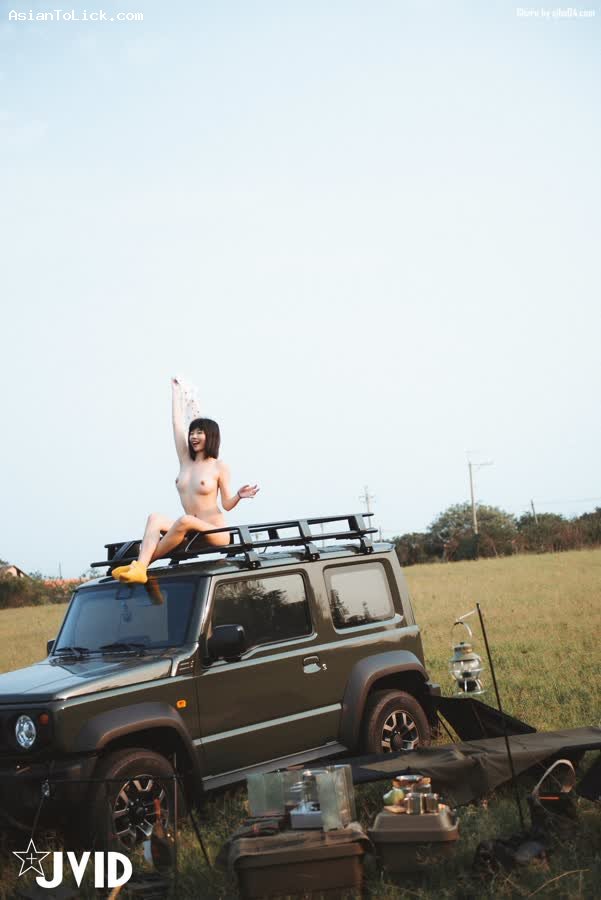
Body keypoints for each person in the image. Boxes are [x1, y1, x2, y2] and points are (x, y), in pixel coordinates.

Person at [112, 377, 259, 584]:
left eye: (200, 432)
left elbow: (226, 504)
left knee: (184, 520)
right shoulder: (185, 461)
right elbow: (176, 424)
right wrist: (175, 392)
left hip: (215, 532)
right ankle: (140, 568)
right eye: (192, 432)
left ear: (211, 436)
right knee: (155, 518)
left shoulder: (219, 466)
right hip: (191, 533)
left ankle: (140, 566)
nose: (193, 436)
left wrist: (239, 496)